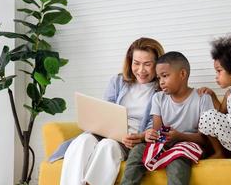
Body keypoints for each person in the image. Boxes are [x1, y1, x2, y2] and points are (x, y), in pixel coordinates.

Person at [60, 37, 165, 185]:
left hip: (130, 139)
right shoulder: (117, 81)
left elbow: (156, 125)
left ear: (158, 64)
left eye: (147, 64)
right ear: (130, 62)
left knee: (107, 146)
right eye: (136, 63)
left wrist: (140, 137)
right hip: (108, 132)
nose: (141, 70)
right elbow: (106, 110)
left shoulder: (162, 90)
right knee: (82, 141)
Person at [121, 51, 214, 185]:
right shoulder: (158, 98)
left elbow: (205, 138)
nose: (161, 82)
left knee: (177, 160)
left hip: (190, 145)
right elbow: (157, 132)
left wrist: (180, 136)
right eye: (159, 78)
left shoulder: (202, 98)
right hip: (165, 142)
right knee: (137, 152)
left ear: (182, 74)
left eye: (165, 76)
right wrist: (149, 135)